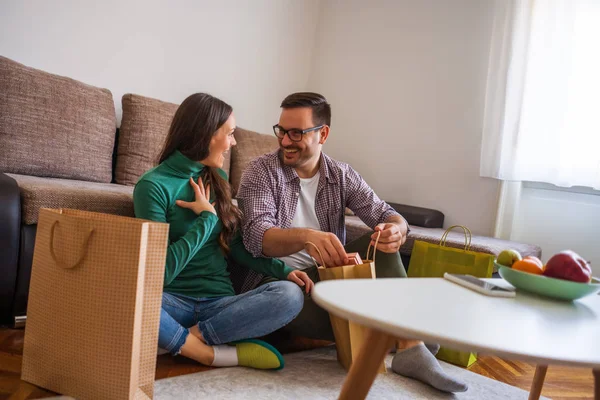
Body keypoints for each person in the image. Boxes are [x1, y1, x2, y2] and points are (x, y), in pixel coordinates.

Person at [237, 92, 467, 391]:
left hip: (332, 279)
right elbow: (257, 237)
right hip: (281, 284)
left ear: (323, 133)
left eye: (296, 133)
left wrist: (396, 230)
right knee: (291, 296)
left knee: (382, 245)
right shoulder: (260, 171)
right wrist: (306, 238)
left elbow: (387, 214)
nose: (285, 141)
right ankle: (405, 334)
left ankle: (407, 343)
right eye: (281, 130)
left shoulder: (342, 175)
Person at [133, 93, 314, 370]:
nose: (233, 142)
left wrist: (283, 271)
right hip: (171, 301)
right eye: (229, 134)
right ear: (205, 133)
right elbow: (159, 272)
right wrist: (206, 220)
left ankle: (185, 340)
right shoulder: (153, 186)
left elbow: (237, 247)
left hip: (220, 305)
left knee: (289, 295)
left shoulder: (218, 180)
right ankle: (212, 354)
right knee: (125, 297)